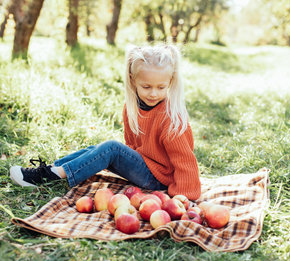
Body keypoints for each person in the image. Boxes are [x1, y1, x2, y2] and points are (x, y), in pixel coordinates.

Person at [10, 44, 201, 200]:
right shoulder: (132, 107)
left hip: (160, 179)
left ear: (171, 82)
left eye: (161, 87)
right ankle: (52, 168)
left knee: (111, 149)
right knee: (95, 151)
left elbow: (185, 160)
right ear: (133, 80)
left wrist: (184, 197)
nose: (153, 93)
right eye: (146, 86)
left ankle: (48, 176)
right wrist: (127, 160)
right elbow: (133, 144)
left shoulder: (171, 117)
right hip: (145, 166)